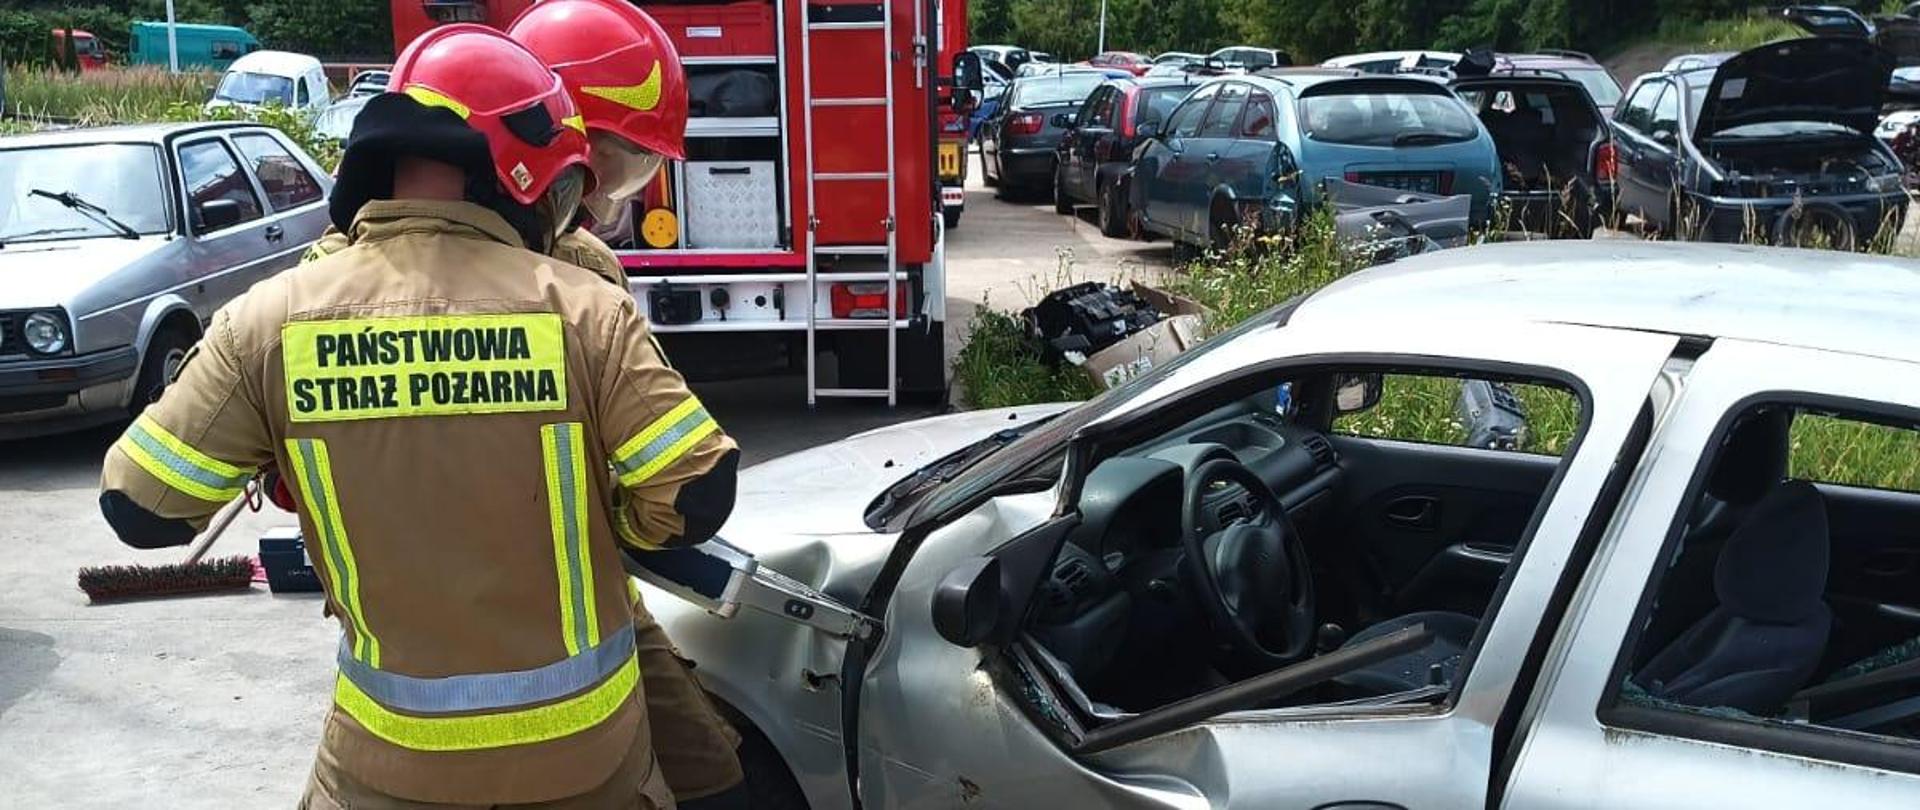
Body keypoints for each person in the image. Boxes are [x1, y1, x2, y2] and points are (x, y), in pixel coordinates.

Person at [98, 23, 739, 809]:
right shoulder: (580, 307)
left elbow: (141, 507)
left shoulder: (272, 316)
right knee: (711, 774)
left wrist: (289, 450)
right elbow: (693, 494)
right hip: (584, 747)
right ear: (526, 175)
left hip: (387, 754)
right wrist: (609, 526)